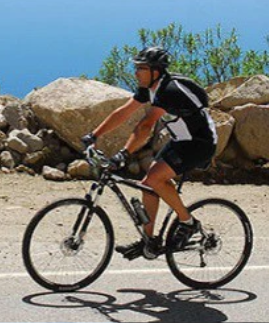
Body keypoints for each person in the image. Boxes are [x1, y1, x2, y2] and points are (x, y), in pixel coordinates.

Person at [82, 46, 218, 261]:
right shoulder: (149, 88)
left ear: (156, 71)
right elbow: (124, 112)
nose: (136, 73)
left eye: (141, 68)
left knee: (155, 179)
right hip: (180, 141)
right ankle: (148, 241)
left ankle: (188, 222)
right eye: (136, 67)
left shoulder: (170, 91)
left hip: (200, 143)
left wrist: (124, 154)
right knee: (148, 184)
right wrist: (94, 135)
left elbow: (146, 126)